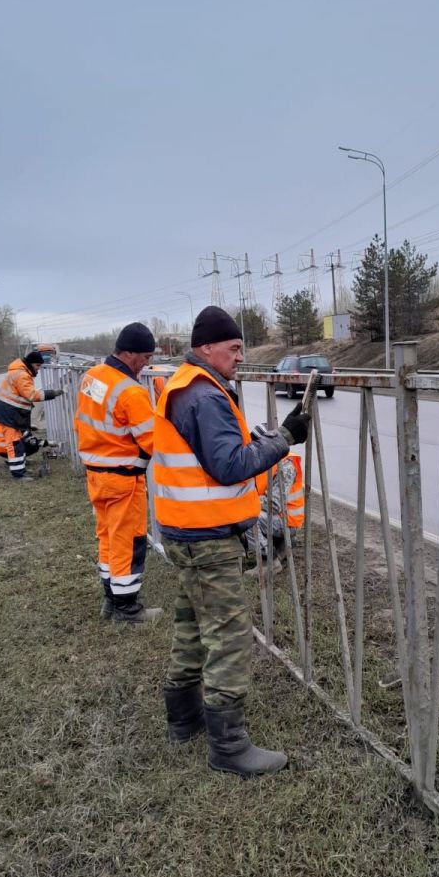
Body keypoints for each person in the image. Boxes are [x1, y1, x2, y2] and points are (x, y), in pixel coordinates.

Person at [153, 305, 310, 777]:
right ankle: (228, 747)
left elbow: (215, 455)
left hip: (185, 531)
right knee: (229, 634)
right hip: (206, 537)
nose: (241, 357)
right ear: (206, 348)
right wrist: (282, 439)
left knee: (189, 624)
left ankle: (183, 720)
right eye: (235, 348)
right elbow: (229, 465)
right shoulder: (204, 396)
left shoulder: (188, 385)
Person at [74, 323, 162, 625]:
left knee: (108, 536)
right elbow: (153, 441)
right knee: (129, 539)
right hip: (123, 477)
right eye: (145, 357)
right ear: (128, 353)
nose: (146, 364)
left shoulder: (92, 377)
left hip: (96, 475)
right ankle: (127, 609)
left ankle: (110, 599)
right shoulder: (131, 392)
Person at [0, 350, 64, 480]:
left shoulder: (20, 372)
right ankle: (19, 474)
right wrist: (54, 393)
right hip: (9, 414)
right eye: (37, 366)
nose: (39, 369)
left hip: (10, 413)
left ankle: (19, 468)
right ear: (30, 364)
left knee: (18, 442)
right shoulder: (21, 375)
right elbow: (32, 395)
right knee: (15, 444)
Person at [243, 454, 304, 577]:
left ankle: (269, 562)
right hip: (277, 517)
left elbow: (274, 505)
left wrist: (245, 501)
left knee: (246, 518)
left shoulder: (285, 466)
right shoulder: (265, 460)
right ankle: (282, 546)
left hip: (287, 521)